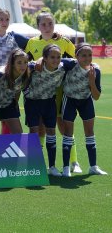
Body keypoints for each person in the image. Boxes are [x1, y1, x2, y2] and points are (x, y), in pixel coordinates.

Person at [25, 11, 81, 173]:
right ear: (38, 26)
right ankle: (39, 162)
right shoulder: (32, 43)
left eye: (50, 23)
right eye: (43, 24)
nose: (47, 27)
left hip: (61, 92)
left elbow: (77, 61)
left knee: (64, 126)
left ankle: (73, 161)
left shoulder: (64, 41)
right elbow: (25, 65)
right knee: (41, 127)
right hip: (40, 94)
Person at [23, 44, 73, 176]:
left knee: (51, 132)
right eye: (52, 57)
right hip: (32, 102)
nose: (56, 60)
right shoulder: (34, 66)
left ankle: (51, 167)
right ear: (44, 58)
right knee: (34, 132)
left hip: (49, 102)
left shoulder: (64, 66)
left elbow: (80, 60)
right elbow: (19, 68)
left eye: (58, 57)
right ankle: (33, 166)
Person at [61, 43, 107, 176]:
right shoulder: (69, 64)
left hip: (86, 101)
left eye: (90, 55)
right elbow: (55, 59)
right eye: (84, 55)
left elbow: (96, 96)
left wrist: (92, 82)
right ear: (76, 56)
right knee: (68, 133)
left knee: (90, 132)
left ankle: (93, 166)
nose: (87, 58)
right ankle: (65, 168)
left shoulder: (95, 70)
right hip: (69, 99)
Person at [0, 49, 29, 134]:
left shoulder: (25, 75)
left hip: (8, 103)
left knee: (17, 133)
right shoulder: (0, 75)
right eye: (19, 63)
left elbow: (18, 90)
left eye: (25, 62)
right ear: (12, 64)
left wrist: (15, 102)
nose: (23, 66)